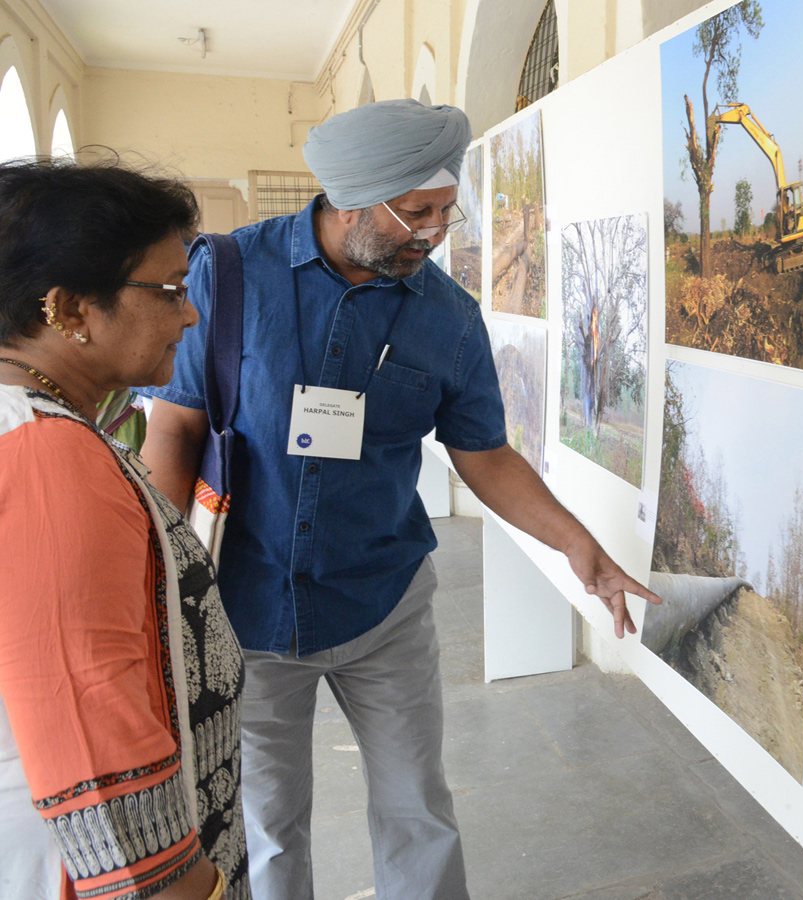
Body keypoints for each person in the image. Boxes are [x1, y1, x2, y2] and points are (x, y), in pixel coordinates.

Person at [139, 99, 659, 900]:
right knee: (269, 828)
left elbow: (482, 455)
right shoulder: (230, 274)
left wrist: (578, 545)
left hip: (384, 608)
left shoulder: (448, 318)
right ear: (352, 200)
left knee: (418, 811)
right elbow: (174, 431)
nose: (436, 231)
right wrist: (164, 581)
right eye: (417, 213)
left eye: (447, 212)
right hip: (248, 613)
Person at [0, 159, 248, 899]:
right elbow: (86, 716)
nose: (191, 315)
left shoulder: (42, 425)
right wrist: (178, 888)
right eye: (170, 291)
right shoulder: (47, 458)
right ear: (71, 310)